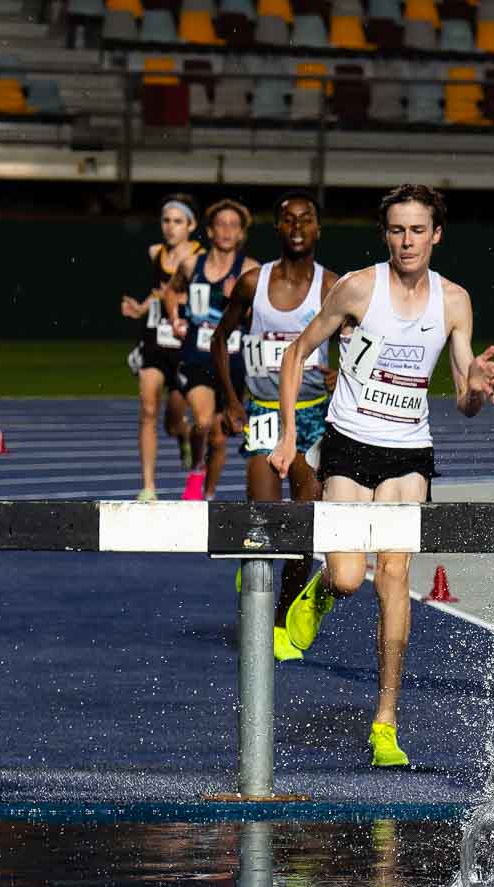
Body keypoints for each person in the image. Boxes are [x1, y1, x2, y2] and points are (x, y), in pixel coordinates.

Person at [266, 184, 494, 769]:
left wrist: (473, 385)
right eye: (397, 230)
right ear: (386, 235)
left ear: (436, 234)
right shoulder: (357, 288)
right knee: (349, 576)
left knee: (393, 576)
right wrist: (291, 434)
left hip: (408, 454)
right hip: (349, 446)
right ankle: (321, 592)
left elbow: (464, 399)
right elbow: (297, 353)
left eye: (417, 230)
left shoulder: (453, 302)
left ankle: (385, 721)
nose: (407, 241)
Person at [213, 191, 339, 661]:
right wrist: (230, 399)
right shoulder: (252, 283)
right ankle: (259, 594)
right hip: (265, 412)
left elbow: (359, 345)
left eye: (306, 218)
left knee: (302, 521)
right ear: (278, 228)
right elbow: (221, 338)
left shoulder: (332, 286)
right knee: (264, 518)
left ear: (318, 228)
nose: (298, 225)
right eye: (288, 219)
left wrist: (338, 371)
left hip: (312, 416)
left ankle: (283, 620)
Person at [163, 198, 258, 501]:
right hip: (196, 356)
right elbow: (172, 292)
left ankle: (209, 494)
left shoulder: (251, 270)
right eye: (221, 224)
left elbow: (261, 318)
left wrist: (240, 303)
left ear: (241, 233)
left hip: (232, 363)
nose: (227, 231)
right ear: (210, 231)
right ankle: (195, 470)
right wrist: (176, 318)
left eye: (234, 225)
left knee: (219, 436)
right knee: (203, 421)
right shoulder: (193, 265)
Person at [121, 193, 201, 502]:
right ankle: (148, 487)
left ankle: (182, 436)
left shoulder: (200, 258)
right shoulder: (155, 253)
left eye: (177, 221)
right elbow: (157, 294)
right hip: (154, 341)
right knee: (148, 409)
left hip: (183, 344)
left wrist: (178, 303)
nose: (170, 227)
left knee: (174, 418)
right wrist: (140, 309)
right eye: (166, 221)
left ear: (191, 226)